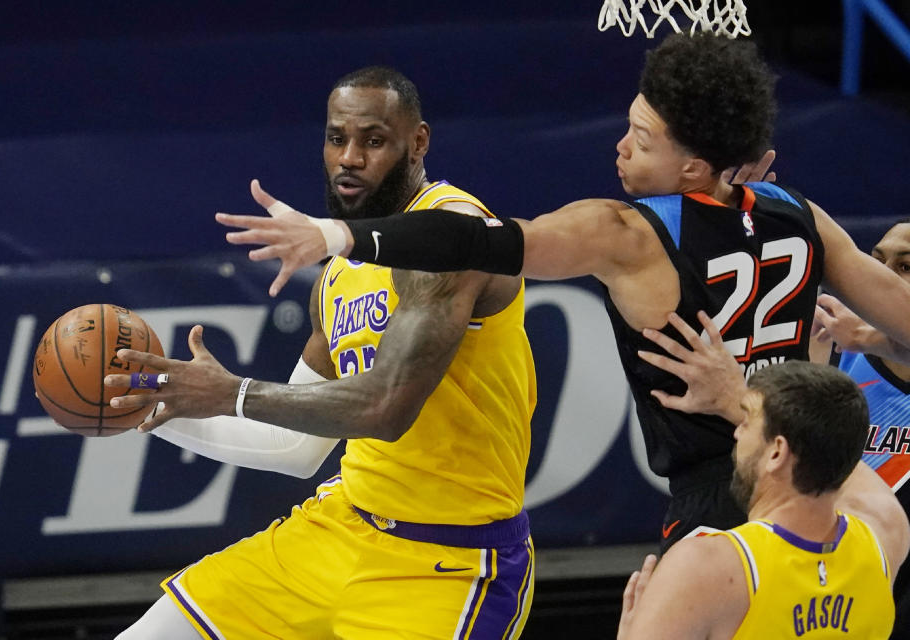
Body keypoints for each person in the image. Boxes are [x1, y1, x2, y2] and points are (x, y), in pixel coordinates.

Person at [214, 32, 910, 552]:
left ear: (693, 164)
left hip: (724, 500)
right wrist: (876, 339)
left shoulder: (623, 233)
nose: (621, 147)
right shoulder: (801, 214)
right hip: (834, 494)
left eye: (641, 137)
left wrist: (340, 238)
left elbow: (478, 241)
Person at [111, 66, 538, 639]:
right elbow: (293, 448)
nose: (350, 158)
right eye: (338, 138)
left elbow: (385, 408)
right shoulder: (337, 275)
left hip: (447, 564)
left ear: (418, 143)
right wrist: (145, 406)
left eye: (374, 140)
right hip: (340, 530)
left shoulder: (453, 234)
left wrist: (231, 394)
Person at [616, 315, 910, 639]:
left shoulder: (706, 568)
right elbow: (843, 455)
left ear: (777, 452)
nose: (738, 430)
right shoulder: (886, 532)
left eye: (747, 419)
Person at [807, 218, 910, 640]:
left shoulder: (859, 341)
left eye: (906, 266)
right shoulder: (830, 363)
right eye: (877, 261)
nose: (883, 277)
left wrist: (874, 339)